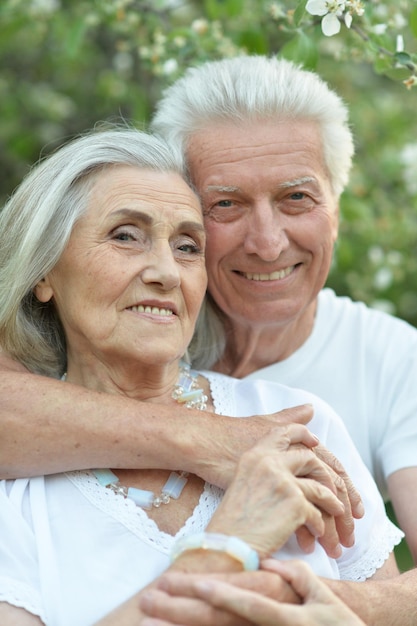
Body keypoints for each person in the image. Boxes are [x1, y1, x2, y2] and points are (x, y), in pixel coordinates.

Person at [0, 56, 416, 623]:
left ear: (337, 211)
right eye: (125, 236)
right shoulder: (16, 490)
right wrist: (226, 545)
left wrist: (312, 604)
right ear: (44, 271)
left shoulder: (304, 418)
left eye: (187, 245)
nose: (166, 271)